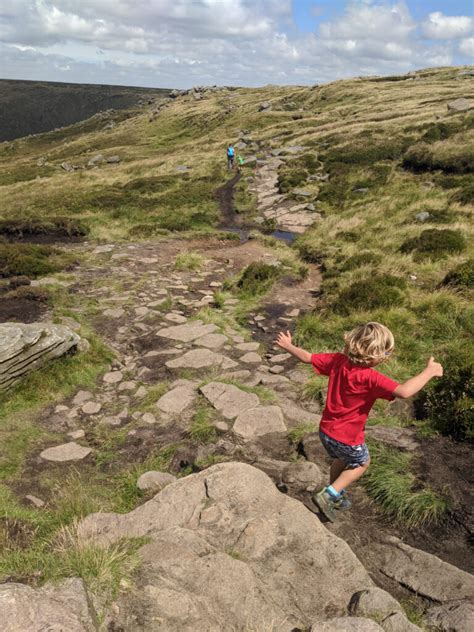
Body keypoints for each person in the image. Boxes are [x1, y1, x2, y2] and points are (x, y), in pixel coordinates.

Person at [275, 322, 443, 522]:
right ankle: (329, 493)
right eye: (387, 354)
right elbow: (404, 391)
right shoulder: (371, 378)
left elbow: (307, 357)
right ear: (376, 356)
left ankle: (334, 493)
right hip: (347, 436)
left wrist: (288, 345)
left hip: (326, 431)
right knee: (362, 462)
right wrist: (429, 372)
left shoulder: (338, 360)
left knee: (341, 460)